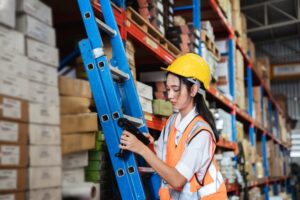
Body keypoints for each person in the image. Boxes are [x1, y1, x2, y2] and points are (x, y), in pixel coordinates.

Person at [120, 53, 227, 199]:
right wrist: (150, 146)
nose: (170, 95)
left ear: (193, 90)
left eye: (175, 89)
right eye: (168, 89)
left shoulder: (202, 133)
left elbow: (177, 180)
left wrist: (142, 149)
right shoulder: (172, 121)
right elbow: (164, 159)